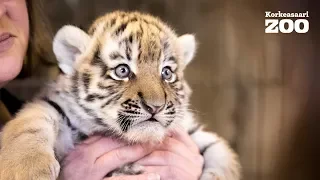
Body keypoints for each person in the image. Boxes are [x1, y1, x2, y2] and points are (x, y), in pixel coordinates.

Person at [0, 0, 203, 179]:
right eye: (122, 70)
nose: (155, 101)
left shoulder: (16, 110)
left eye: (166, 73)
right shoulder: (43, 118)